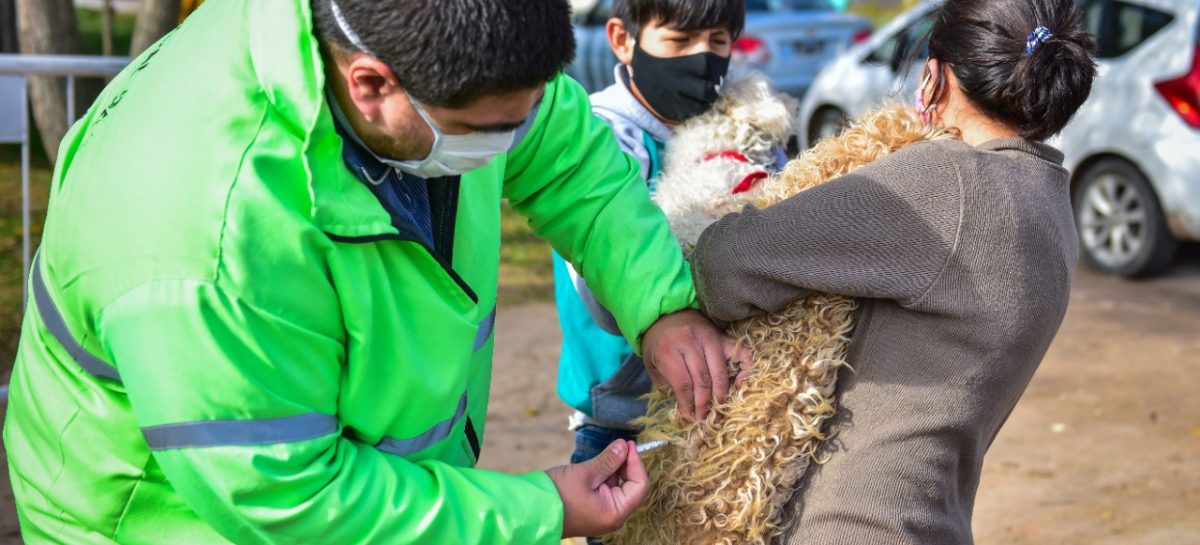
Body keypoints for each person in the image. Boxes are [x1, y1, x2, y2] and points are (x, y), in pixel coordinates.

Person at [2, 0, 741, 542]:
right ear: (370, 84)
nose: (513, 142)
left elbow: (567, 154)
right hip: (181, 519)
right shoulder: (210, 240)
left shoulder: (451, 60)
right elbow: (287, 494)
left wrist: (660, 301)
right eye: (491, 131)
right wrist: (539, 508)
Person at [688, 0, 1097, 542]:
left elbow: (723, 267)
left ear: (935, 75)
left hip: (850, 526)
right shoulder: (1052, 204)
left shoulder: (946, 182)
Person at [554, 0, 758, 467]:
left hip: (730, 400)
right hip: (626, 420)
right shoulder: (600, 136)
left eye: (718, 41)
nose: (702, 59)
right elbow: (602, 264)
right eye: (680, 41)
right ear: (623, 40)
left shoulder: (742, 126)